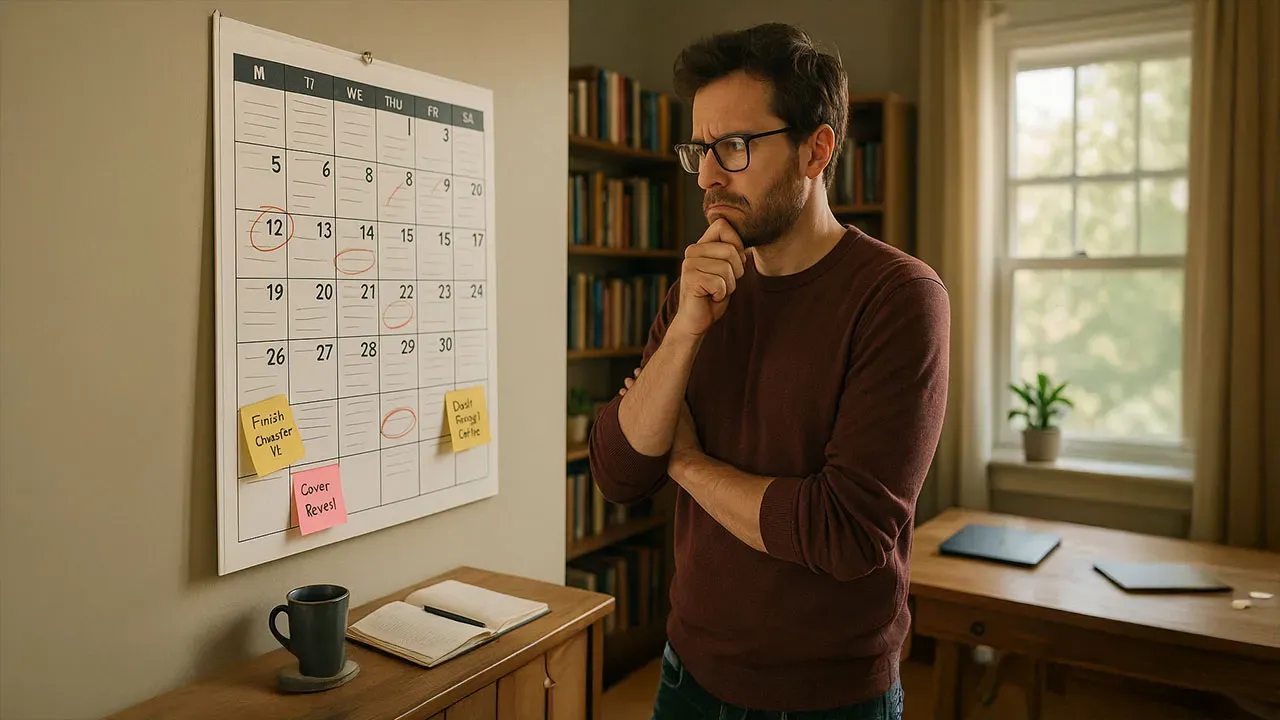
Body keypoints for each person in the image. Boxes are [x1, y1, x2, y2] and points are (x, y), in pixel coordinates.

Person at [587, 22, 950, 720]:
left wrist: (687, 467)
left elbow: (845, 533)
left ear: (817, 150)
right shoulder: (698, 288)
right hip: (687, 675)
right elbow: (619, 472)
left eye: (735, 147)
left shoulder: (900, 298)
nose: (707, 174)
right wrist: (687, 329)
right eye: (700, 147)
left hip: (831, 699)